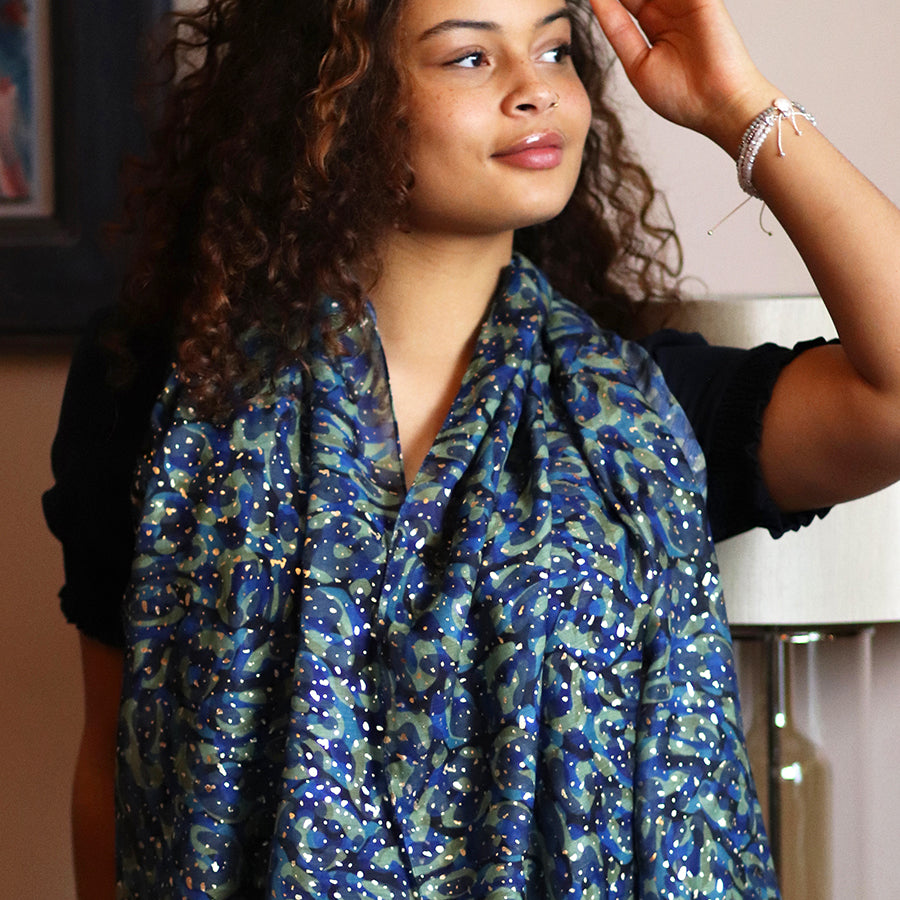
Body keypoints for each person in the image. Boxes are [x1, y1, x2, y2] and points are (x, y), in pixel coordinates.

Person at [42, 0, 900, 898]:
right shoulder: (167, 393)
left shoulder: (635, 420)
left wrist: (739, 105)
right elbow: (114, 766)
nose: (537, 91)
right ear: (339, 98)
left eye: (555, 50)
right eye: (469, 59)